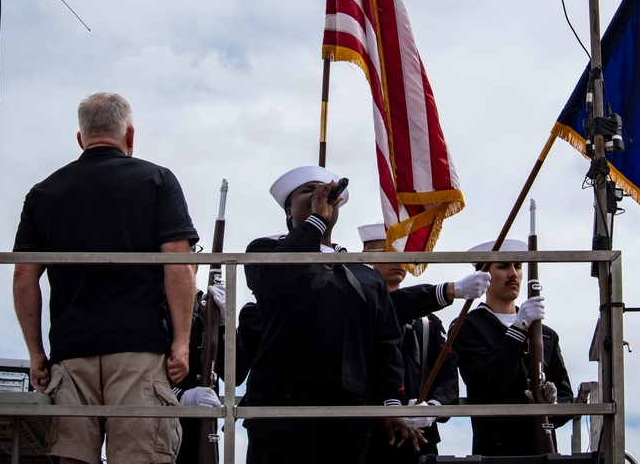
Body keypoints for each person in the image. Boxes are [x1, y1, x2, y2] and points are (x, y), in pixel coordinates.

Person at [12, 92, 199, 464]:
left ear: (81, 140)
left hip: (71, 348)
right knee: (141, 456)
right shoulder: (158, 180)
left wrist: (37, 355)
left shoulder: (42, 193)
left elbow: (23, 276)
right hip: (139, 347)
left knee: (73, 457)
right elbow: (178, 264)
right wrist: (180, 344)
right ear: (130, 135)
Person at [243, 166, 417, 464]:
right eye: (308, 191)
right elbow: (276, 281)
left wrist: (391, 403)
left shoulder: (364, 274)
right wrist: (313, 223)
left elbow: (385, 342)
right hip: (285, 401)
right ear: (288, 210)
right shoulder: (265, 249)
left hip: (349, 405)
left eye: (325, 192)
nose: (319, 196)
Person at [359, 223, 491, 464]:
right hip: (371, 434)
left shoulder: (428, 321)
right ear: (367, 258)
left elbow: (448, 371)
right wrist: (448, 290)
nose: (399, 260)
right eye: (389, 252)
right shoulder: (358, 307)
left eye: (403, 253)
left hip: (419, 439)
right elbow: (391, 307)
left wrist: (431, 407)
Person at [453, 238, 574, 456]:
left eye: (518, 266)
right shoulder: (467, 326)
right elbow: (487, 381)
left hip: (542, 449)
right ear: (484, 275)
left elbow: (567, 396)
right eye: (503, 266)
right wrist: (518, 329)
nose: (514, 273)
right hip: (496, 451)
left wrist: (553, 404)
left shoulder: (546, 334)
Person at [174, 275, 263, 464]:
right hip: (162, 419)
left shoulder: (204, 307)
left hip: (202, 425)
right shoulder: (156, 304)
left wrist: (223, 325)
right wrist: (179, 397)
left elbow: (235, 373)